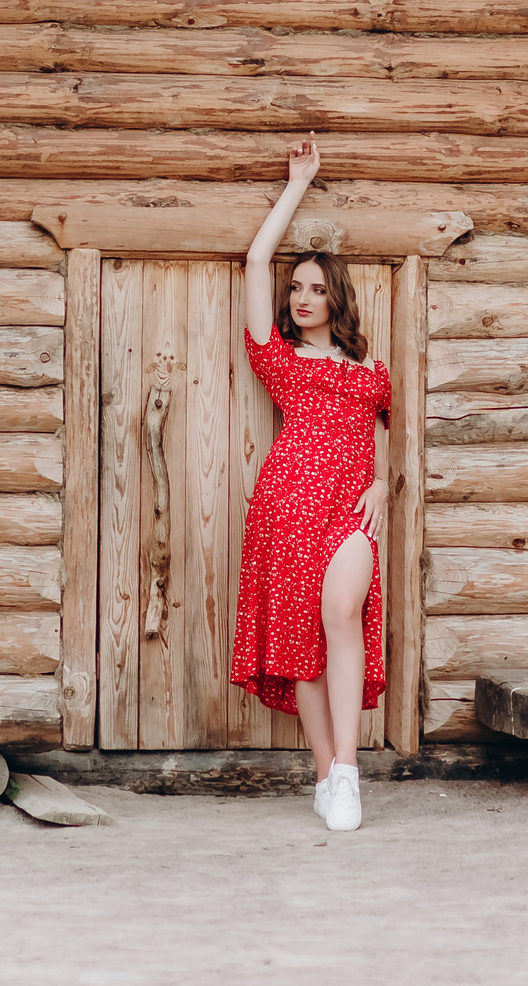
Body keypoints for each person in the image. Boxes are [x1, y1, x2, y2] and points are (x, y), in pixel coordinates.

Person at [231, 136, 388, 833]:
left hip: (349, 511)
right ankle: (325, 773)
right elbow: (257, 259)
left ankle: (349, 768)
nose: (302, 297)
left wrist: (384, 486)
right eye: (298, 287)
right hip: (287, 506)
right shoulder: (281, 359)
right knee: (303, 642)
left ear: (337, 298)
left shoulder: (368, 368)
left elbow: (387, 438)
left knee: (342, 613)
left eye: (317, 288)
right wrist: (299, 182)